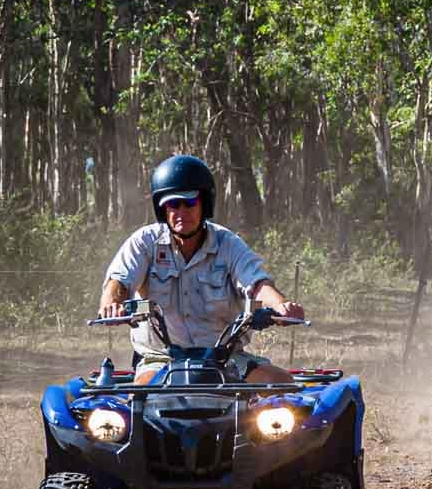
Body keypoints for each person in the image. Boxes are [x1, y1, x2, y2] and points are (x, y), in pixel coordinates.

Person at [97, 154, 305, 385]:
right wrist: (111, 306)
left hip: (225, 359)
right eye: (173, 204)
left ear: (204, 203)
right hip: (161, 360)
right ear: (162, 209)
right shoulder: (145, 243)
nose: (181, 211)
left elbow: (257, 284)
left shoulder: (228, 244)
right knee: (141, 401)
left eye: (190, 203)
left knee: (282, 384)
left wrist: (280, 306)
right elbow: (119, 282)